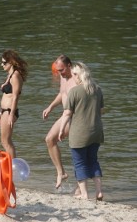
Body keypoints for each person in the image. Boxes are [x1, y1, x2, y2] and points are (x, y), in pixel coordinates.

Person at [58, 62, 104, 201]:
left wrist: (61, 130)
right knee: (93, 161)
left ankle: (84, 194)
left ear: (78, 75)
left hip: (79, 133)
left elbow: (67, 114)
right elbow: (101, 111)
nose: (73, 78)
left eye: (73, 75)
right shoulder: (97, 89)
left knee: (80, 163)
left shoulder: (74, 91)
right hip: (96, 132)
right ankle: (99, 192)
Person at [42, 55, 75, 189]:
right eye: (58, 70)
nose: (60, 73)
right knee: (49, 139)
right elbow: (62, 94)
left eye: (61, 70)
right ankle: (61, 172)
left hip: (75, 116)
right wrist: (50, 107)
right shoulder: (63, 77)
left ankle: (81, 186)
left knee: (77, 150)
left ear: (69, 66)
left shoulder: (77, 78)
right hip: (65, 114)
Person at [0, 50, 28, 159]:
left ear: (11, 62)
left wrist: (11, 114)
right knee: (4, 141)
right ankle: (11, 165)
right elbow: (5, 96)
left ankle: (13, 167)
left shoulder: (15, 76)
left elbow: (15, 96)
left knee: (6, 141)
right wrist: (0, 112)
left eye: (4, 63)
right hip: (5, 111)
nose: (2, 65)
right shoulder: (10, 74)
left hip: (10, 111)